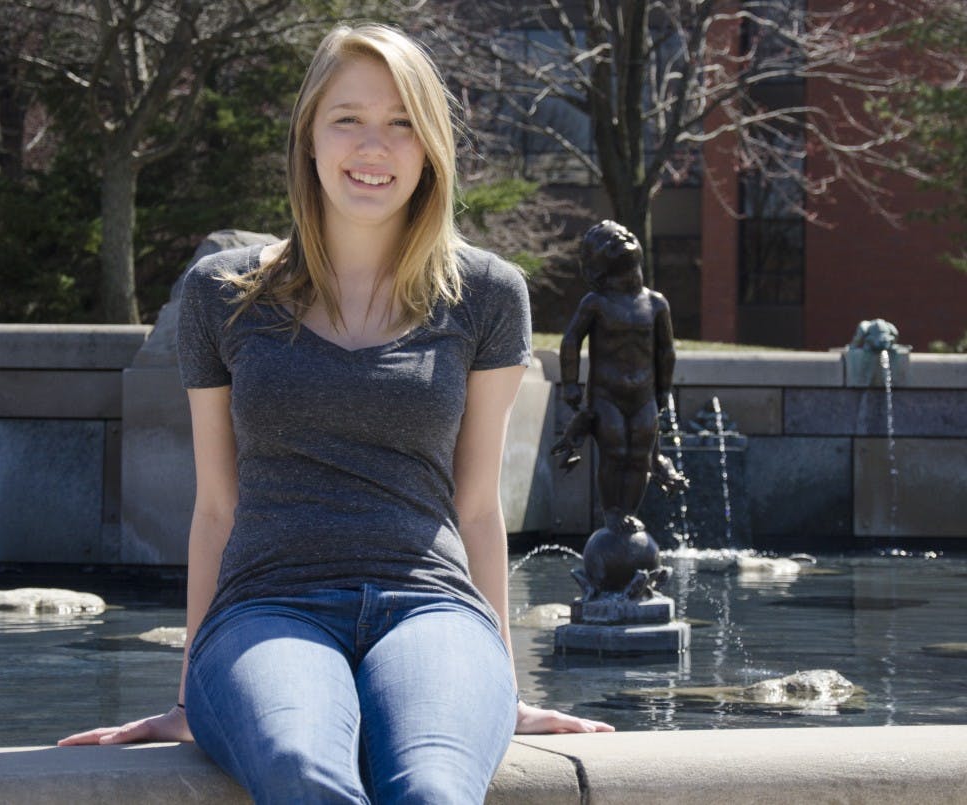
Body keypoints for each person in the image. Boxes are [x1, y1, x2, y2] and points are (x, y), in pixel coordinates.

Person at [59, 22, 612, 804]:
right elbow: (216, 506)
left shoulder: (488, 294)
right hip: (265, 609)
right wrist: (193, 698)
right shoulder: (223, 293)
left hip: (433, 609)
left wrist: (500, 691)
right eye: (347, 118)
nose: (373, 146)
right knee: (302, 766)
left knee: (432, 782)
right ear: (309, 139)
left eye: (401, 123)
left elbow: (479, 509)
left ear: (428, 150)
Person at [553, 220, 685, 534]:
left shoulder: (655, 303)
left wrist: (664, 390)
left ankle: (629, 513)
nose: (622, 239)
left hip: (644, 395)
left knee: (640, 453)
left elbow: (666, 351)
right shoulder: (596, 303)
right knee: (615, 450)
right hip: (605, 396)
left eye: (626, 235)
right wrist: (570, 383)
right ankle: (612, 513)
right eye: (610, 243)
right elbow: (571, 340)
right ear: (598, 265)